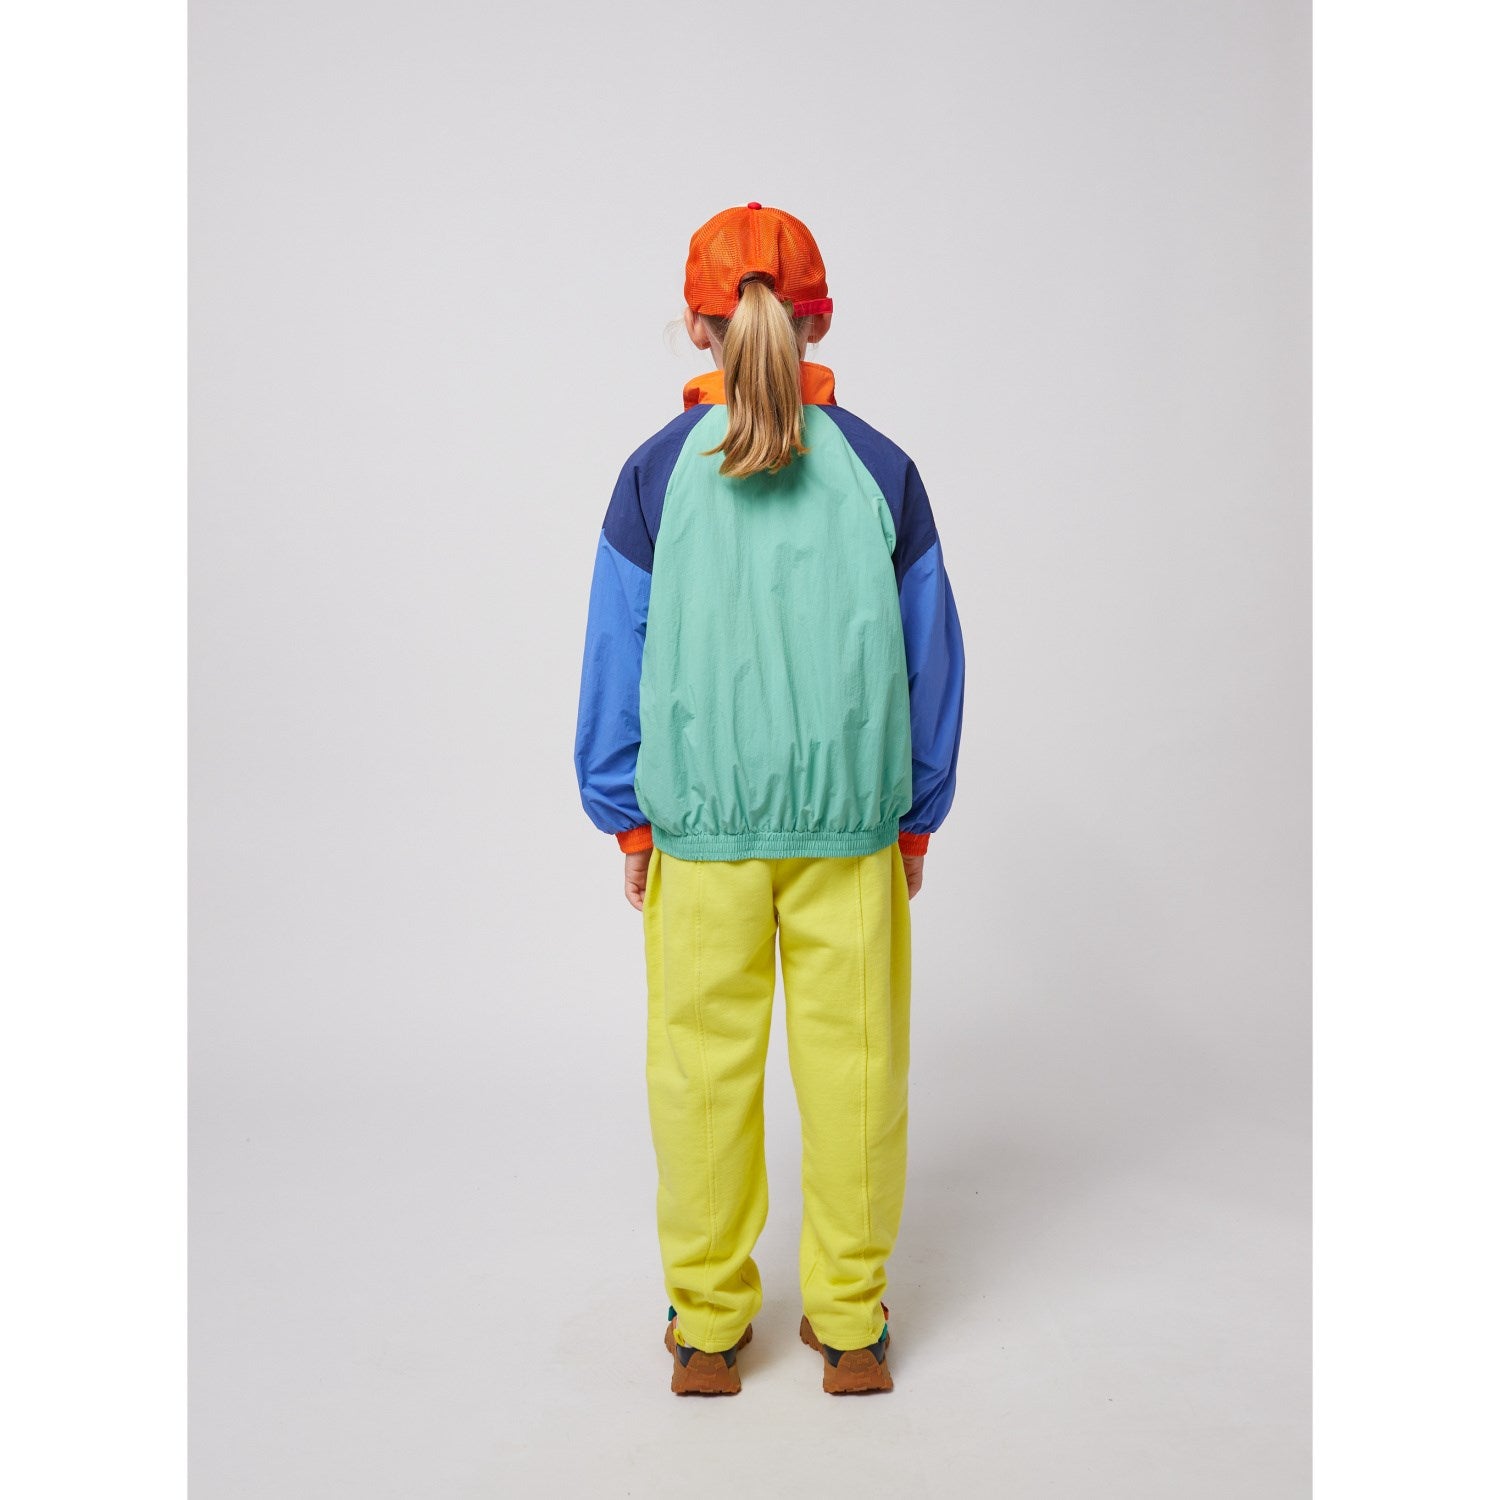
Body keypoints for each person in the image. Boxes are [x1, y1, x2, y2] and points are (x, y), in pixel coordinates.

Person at [573, 202, 965, 1395]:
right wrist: (915, 813)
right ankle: (850, 1326)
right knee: (857, 1077)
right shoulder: (881, 471)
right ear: (820, 320)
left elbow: (616, 655)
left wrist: (627, 814)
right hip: (851, 834)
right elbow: (930, 655)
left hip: (699, 840)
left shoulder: (655, 476)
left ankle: (706, 1330)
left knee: (700, 1078)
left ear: (697, 325)